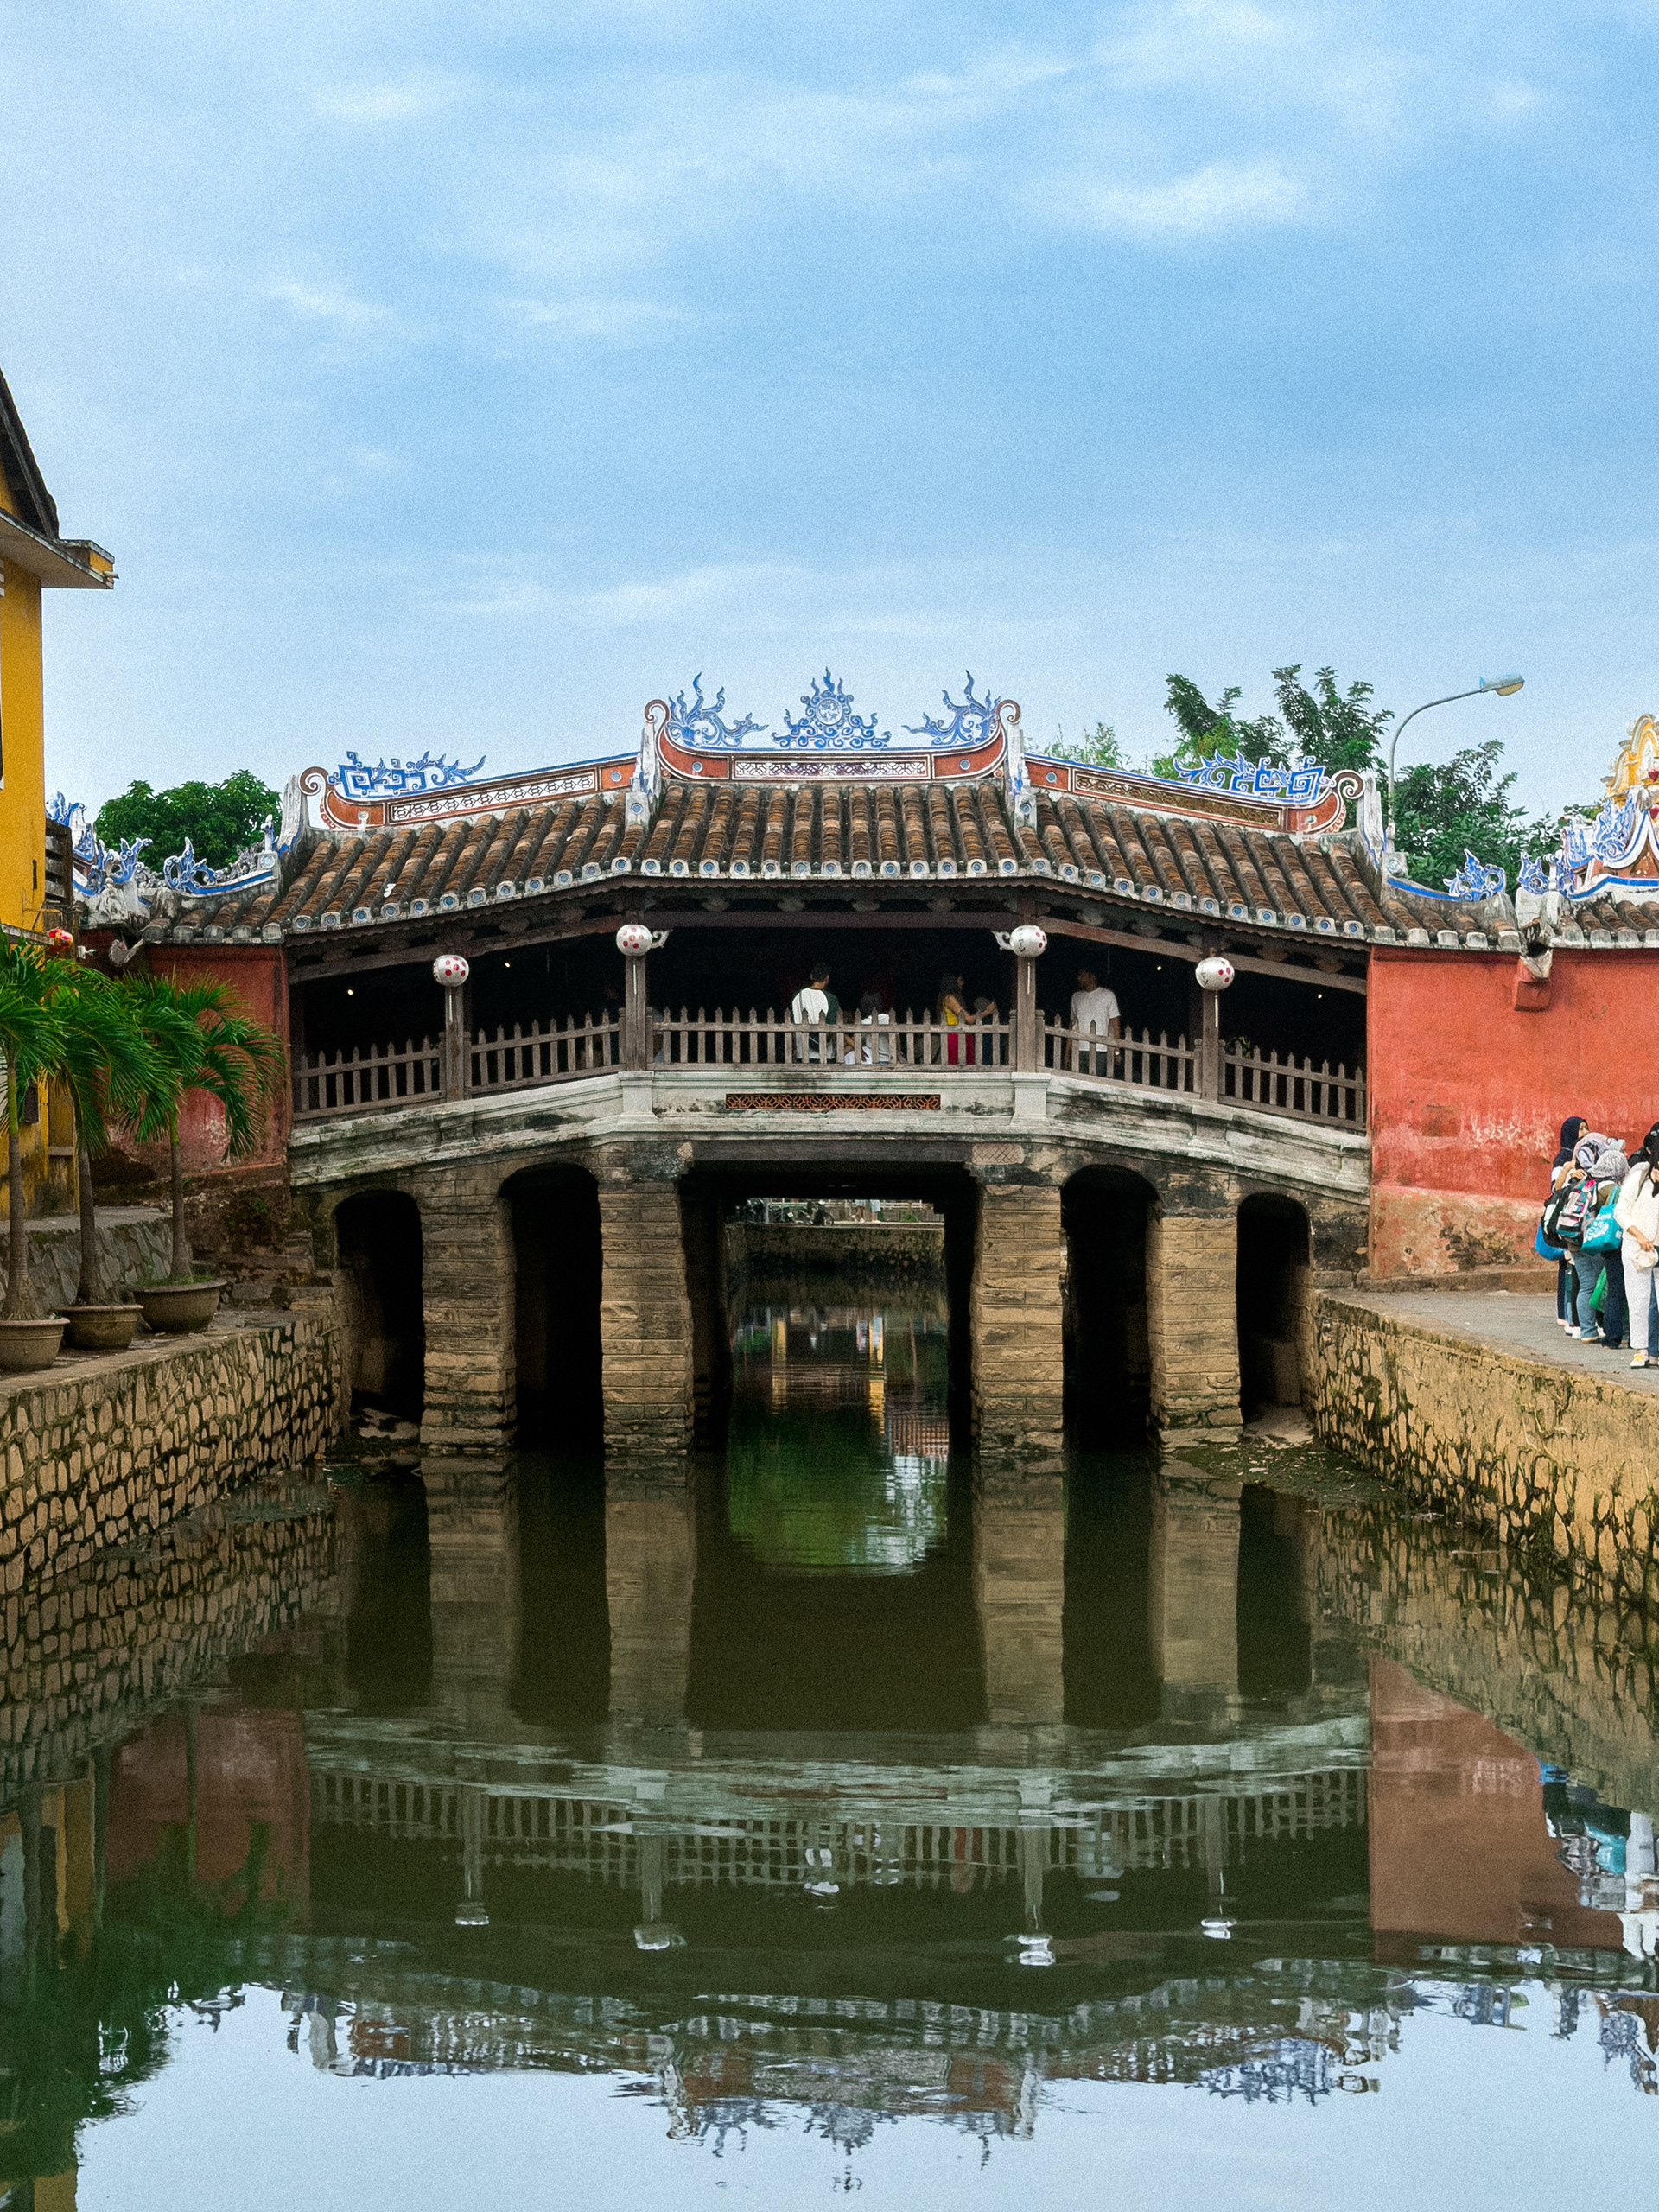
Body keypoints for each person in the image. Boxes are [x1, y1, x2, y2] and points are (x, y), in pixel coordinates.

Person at [1616, 1124, 1659, 1369]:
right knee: (1639, 1299)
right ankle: (1642, 1350)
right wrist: (1639, 1235)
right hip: (1636, 1246)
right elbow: (1620, 1212)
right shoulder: (1639, 1178)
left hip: (1657, 1246)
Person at [1550, 1115, 1588, 1329]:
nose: (1584, 1133)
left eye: (1586, 1128)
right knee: (1567, 1266)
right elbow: (1555, 1188)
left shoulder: (1585, 1155)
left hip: (1577, 1218)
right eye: (1580, 1129)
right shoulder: (1563, 1157)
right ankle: (1565, 1314)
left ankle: (1569, 1313)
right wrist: (1568, 1170)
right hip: (1567, 1218)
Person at [1069, 966, 1120, 1072]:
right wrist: (1067, 1054)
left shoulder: (1108, 996)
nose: (1078, 978)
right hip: (1079, 1048)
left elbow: (1115, 1025)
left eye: (1082, 976)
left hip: (1101, 1049)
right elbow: (1072, 1025)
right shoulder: (1076, 997)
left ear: (1092, 977)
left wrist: (1116, 1051)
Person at [790, 963, 839, 1062]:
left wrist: (794, 1047)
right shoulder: (830, 999)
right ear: (827, 978)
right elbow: (832, 1027)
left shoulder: (798, 996)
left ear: (811, 976)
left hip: (801, 1052)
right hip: (825, 1055)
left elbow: (792, 1024)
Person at [937, 971, 973, 1065]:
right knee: (957, 1064)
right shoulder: (949, 998)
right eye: (960, 980)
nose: (962, 983)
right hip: (955, 1036)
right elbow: (969, 1019)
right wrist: (986, 1012)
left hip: (959, 1035)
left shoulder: (953, 997)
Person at [858, 990, 892, 1065]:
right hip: (889, 1058)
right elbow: (896, 1038)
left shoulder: (865, 1023)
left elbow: (859, 1041)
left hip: (872, 1060)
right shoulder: (887, 1019)